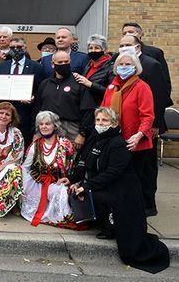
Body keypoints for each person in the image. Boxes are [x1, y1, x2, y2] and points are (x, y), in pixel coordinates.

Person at [63, 107, 169, 274]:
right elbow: (84, 165)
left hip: (123, 190)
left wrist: (86, 186)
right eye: (98, 120)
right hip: (107, 185)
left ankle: (111, 228)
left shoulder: (117, 143)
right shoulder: (95, 139)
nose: (100, 124)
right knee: (79, 194)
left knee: (92, 196)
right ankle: (102, 223)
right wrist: (72, 179)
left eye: (105, 121)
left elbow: (112, 173)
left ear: (114, 123)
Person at [117, 34, 167, 216]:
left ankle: (147, 205)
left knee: (145, 170)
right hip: (123, 134)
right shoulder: (116, 79)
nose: (124, 48)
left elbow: (160, 96)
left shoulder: (151, 65)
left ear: (138, 46)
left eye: (128, 45)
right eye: (121, 45)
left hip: (143, 131)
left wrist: (154, 125)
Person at [101, 52, 156, 216]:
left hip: (134, 144)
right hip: (114, 142)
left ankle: (131, 216)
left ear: (136, 67)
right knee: (114, 181)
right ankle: (115, 216)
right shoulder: (112, 87)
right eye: (121, 65)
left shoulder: (142, 87)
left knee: (131, 183)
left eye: (128, 64)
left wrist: (139, 135)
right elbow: (103, 111)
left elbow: (147, 115)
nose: (124, 68)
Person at [21, 111, 77, 228]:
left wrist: (69, 180)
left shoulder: (65, 144)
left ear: (55, 126)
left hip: (57, 182)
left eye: (47, 124)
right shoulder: (35, 145)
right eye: (41, 124)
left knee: (60, 193)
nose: (44, 127)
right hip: (37, 183)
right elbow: (26, 167)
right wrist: (24, 185)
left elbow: (72, 167)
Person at [0, 37, 45, 146]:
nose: (16, 49)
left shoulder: (36, 67)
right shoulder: (2, 66)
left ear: (25, 48)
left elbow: (40, 90)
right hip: (5, 114)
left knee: (22, 144)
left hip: (24, 113)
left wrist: (33, 97)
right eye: (12, 47)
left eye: (19, 47)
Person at [34, 50, 95, 147]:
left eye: (66, 62)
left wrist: (82, 134)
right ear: (53, 64)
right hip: (47, 128)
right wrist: (36, 132)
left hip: (71, 129)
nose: (63, 64)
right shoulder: (45, 84)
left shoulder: (79, 83)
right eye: (60, 62)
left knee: (70, 159)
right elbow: (37, 108)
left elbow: (87, 110)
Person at [122, 22, 171, 106]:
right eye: (124, 33)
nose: (127, 35)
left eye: (130, 32)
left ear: (140, 34)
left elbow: (164, 80)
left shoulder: (154, 53)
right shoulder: (121, 55)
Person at [73, 34, 114, 105]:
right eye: (90, 48)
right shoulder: (89, 64)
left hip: (100, 106)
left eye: (97, 48)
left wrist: (91, 84)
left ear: (104, 50)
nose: (93, 50)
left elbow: (111, 91)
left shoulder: (111, 67)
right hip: (87, 104)